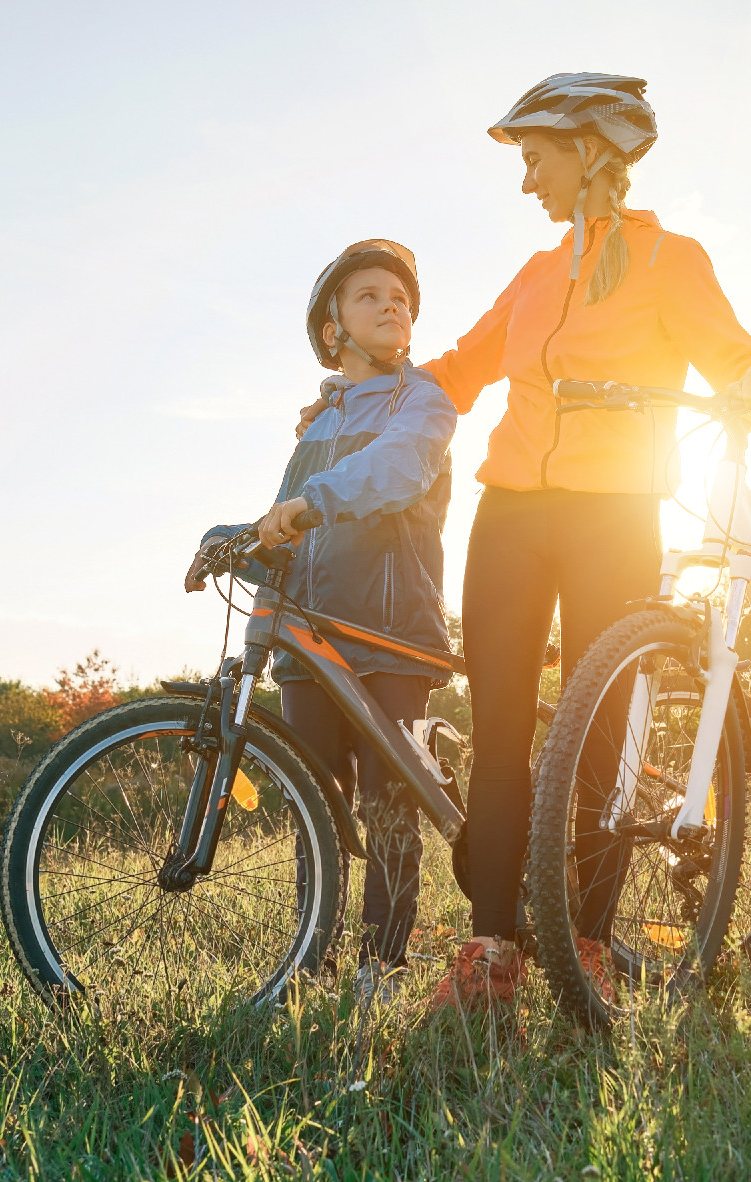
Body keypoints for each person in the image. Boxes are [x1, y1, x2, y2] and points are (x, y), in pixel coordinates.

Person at [405, 74, 751, 1009]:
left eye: (536, 158)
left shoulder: (671, 260)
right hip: (509, 515)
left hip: (614, 513)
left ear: (590, 153)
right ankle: (491, 952)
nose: (526, 180)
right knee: (499, 729)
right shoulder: (539, 275)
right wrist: (366, 398)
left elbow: (734, 355)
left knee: (603, 733)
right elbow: (457, 369)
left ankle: (585, 939)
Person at [257, 239, 457, 1007]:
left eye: (401, 295)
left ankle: (384, 964)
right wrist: (242, 551)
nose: (392, 304)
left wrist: (306, 505)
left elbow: (396, 472)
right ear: (331, 324)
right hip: (308, 640)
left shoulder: (422, 399)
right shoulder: (316, 423)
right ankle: (313, 959)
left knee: (388, 799)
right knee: (317, 804)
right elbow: (282, 529)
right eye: (369, 294)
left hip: (391, 631)